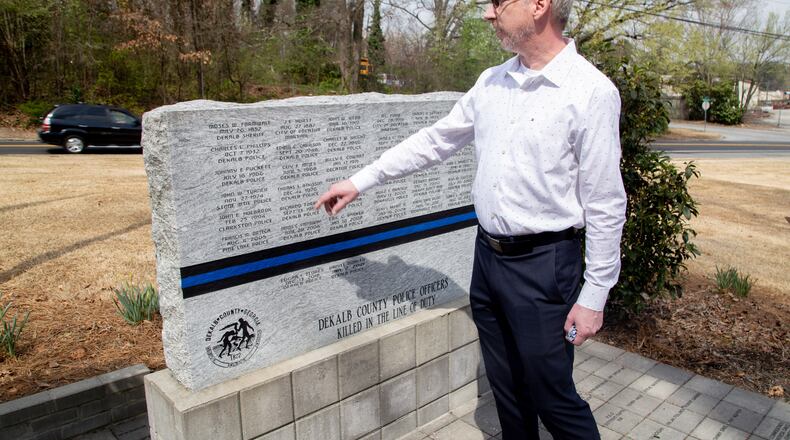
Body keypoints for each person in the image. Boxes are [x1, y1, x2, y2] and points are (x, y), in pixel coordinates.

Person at [314, 0, 626, 437]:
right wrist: (361, 180)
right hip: (488, 260)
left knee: (552, 396)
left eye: (499, 2)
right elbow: (435, 141)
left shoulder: (591, 91)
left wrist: (595, 295)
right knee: (508, 391)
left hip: (545, 266)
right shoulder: (492, 81)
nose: (488, 13)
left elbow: (606, 203)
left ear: (539, 5)